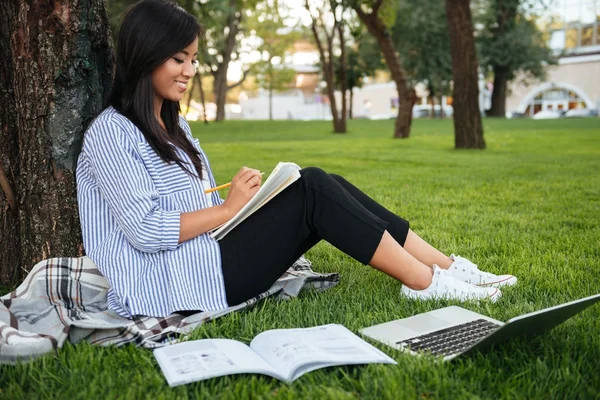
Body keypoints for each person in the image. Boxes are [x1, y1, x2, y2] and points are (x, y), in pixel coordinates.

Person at [76, 0, 517, 319]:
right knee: (313, 189)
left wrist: (246, 202)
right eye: (179, 59)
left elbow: (195, 206)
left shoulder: (176, 128)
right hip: (175, 283)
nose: (190, 71)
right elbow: (146, 229)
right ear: (145, 56)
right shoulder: (110, 134)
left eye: (193, 59)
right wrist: (229, 209)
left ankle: (444, 266)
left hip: (206, 258)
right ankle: (425, 285)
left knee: (325, 182)